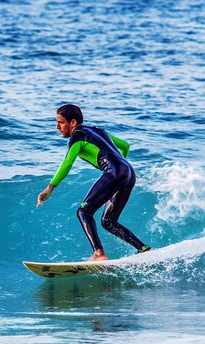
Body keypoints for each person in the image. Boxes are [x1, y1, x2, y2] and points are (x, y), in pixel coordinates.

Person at [37, 104, 150, 261]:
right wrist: (120, 166)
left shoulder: (77, 137)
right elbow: (125, 146)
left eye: (61, 122)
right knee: (108, 221)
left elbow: (67, 163)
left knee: (84, 212)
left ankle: (99, 253)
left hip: (115, 173)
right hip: (129, 173)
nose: (57, 127)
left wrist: (50, 188)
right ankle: (143, 249)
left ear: (73, 123)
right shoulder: (99, 131)